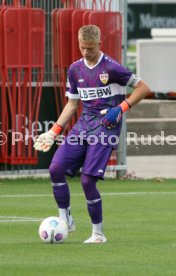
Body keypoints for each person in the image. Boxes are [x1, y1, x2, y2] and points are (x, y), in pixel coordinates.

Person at [34, 25, 151, 243]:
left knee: (88, 181)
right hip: (84, 126)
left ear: (99, 44)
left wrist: (120, 108)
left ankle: (98, 234)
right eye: (82, 47)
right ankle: (65, 220)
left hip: (106, 128)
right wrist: (54, 131)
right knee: (56, 168)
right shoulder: (75, 69)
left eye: (90, 48)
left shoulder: (112, 68)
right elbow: (72, 104)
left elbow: (143, 88)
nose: (85, 52)